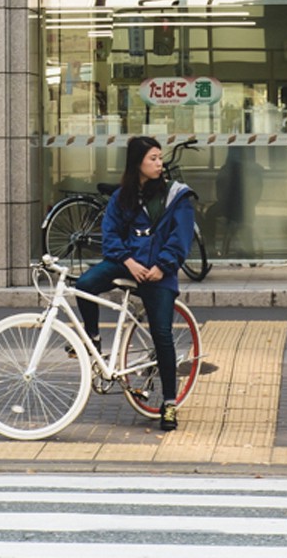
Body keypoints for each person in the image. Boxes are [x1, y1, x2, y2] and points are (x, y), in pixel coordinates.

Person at [73, 135, 196, 431]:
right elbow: (111, 234)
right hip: (127, 262)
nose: (159, 162)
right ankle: (94, 340)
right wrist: (127, 260)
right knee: (84, 285)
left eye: (159, 157)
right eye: (152, 158)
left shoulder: (177, 195)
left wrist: (160, 267)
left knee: (162, 336)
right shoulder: (122, 196)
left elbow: (180, 239)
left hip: (158, 270)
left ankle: (169, 403)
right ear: (137, 163)